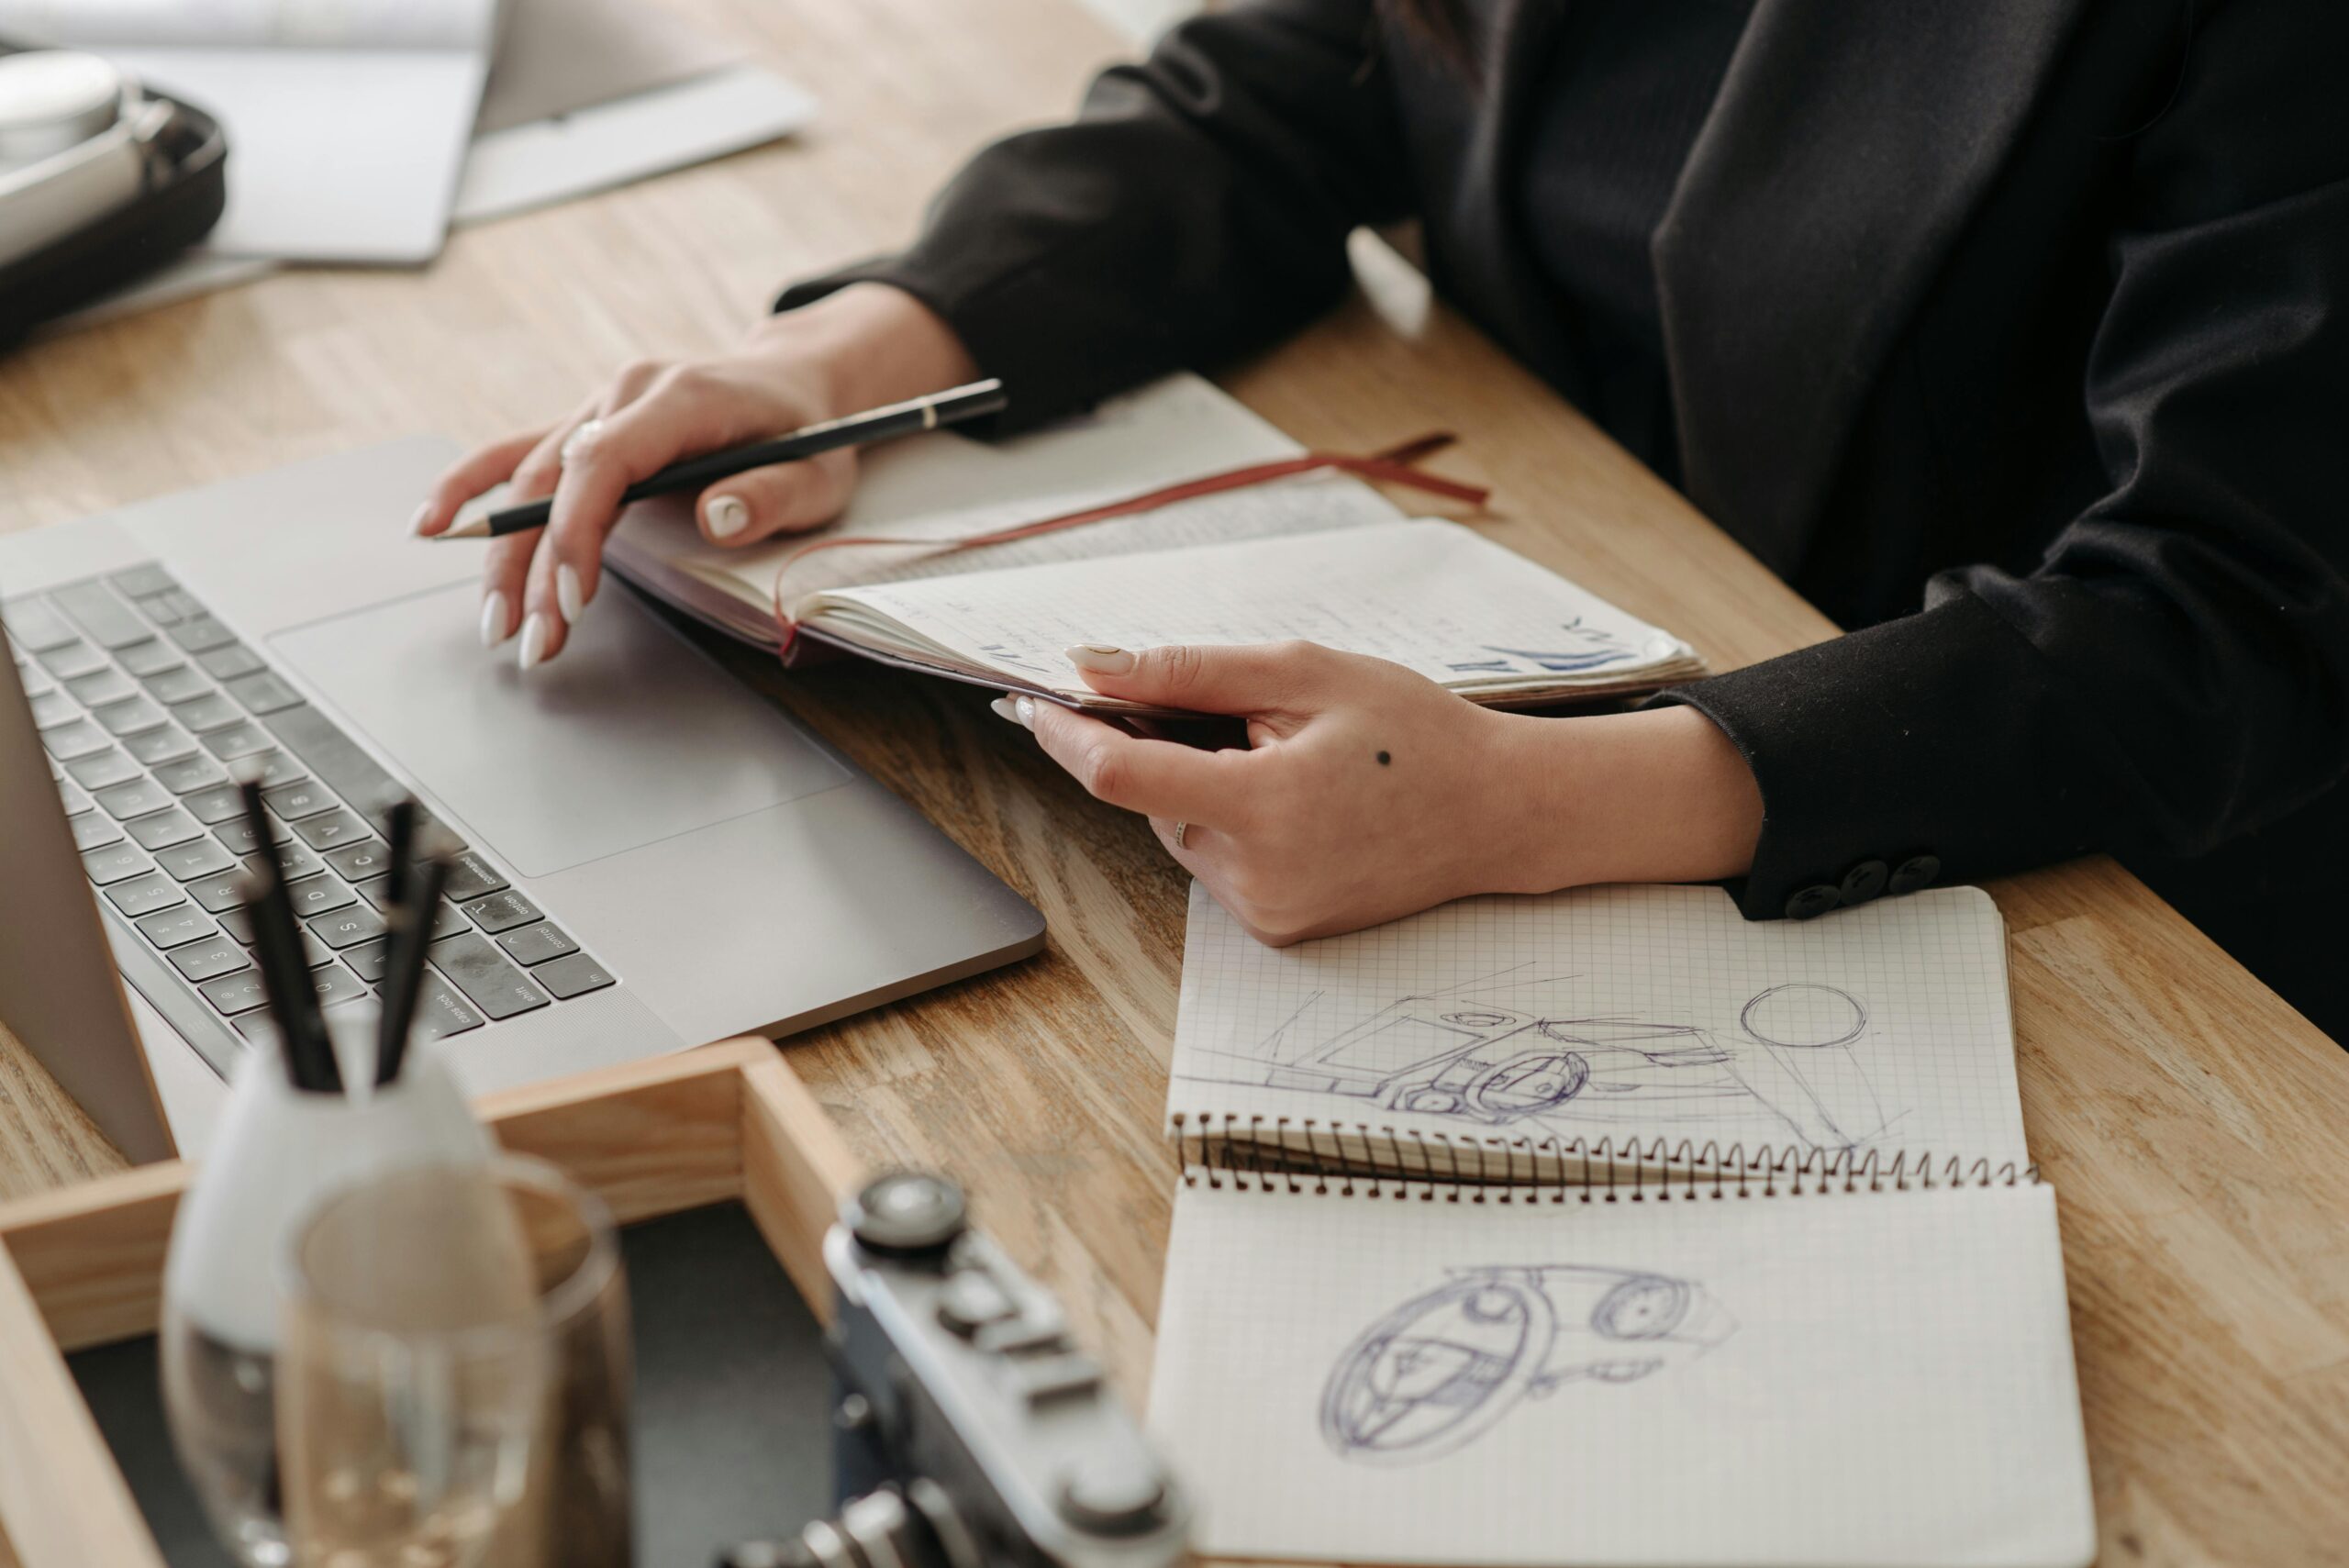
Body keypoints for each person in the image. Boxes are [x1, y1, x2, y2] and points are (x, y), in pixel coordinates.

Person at [411, 0, 2349, 1041]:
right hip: (1562, 565)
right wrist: (853, 357)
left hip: (2102, 881)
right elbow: (1298, 81)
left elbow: (2238, 605)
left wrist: (1522, 805)